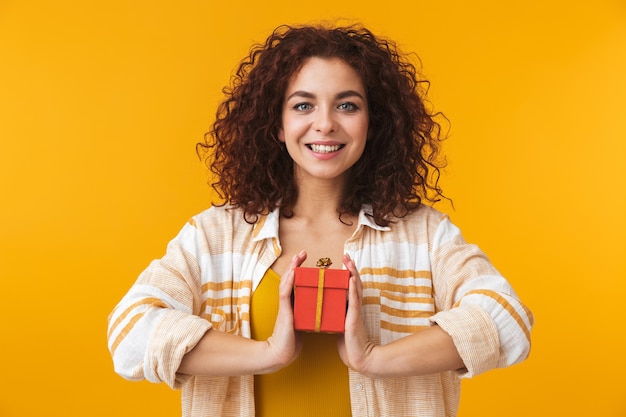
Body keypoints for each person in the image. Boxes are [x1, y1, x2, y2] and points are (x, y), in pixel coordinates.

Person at [107, 23, 533, 417]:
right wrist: (268, 353)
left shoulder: (425, 235)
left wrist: (374, 358)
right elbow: (129, 335)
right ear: (277, 123)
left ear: (373, 122)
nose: (325, 124)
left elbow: (506, 319)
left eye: (347, 105)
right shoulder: (214, 235)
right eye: (303, 105)